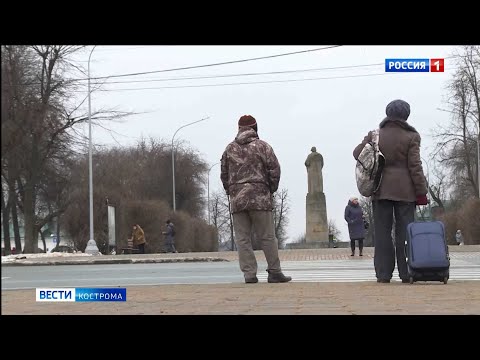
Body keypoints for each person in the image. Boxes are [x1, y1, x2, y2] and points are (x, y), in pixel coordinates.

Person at [353, 99, 428, 284]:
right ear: (406, 115)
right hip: (406, 192)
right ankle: (406, 272)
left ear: (388, 114)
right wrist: (421, 192)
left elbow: (357, 153)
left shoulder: (375, 134)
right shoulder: (412, 137)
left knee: (382, 233)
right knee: (405, 233)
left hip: (380, 190)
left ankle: (383, 274)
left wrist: (373, 151)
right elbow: (415, 167)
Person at [220, 114, 291, 284]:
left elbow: (224, 174)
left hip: (238, 199)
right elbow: (275, 170)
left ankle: (249, 274)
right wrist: (269, 189)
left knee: (242, 238)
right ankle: (274, 272)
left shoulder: (230, 149)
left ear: (238, 129)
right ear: (255, 128)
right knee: (267, 236)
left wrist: (232, 191)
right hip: (260, 197)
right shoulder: (263, 147)